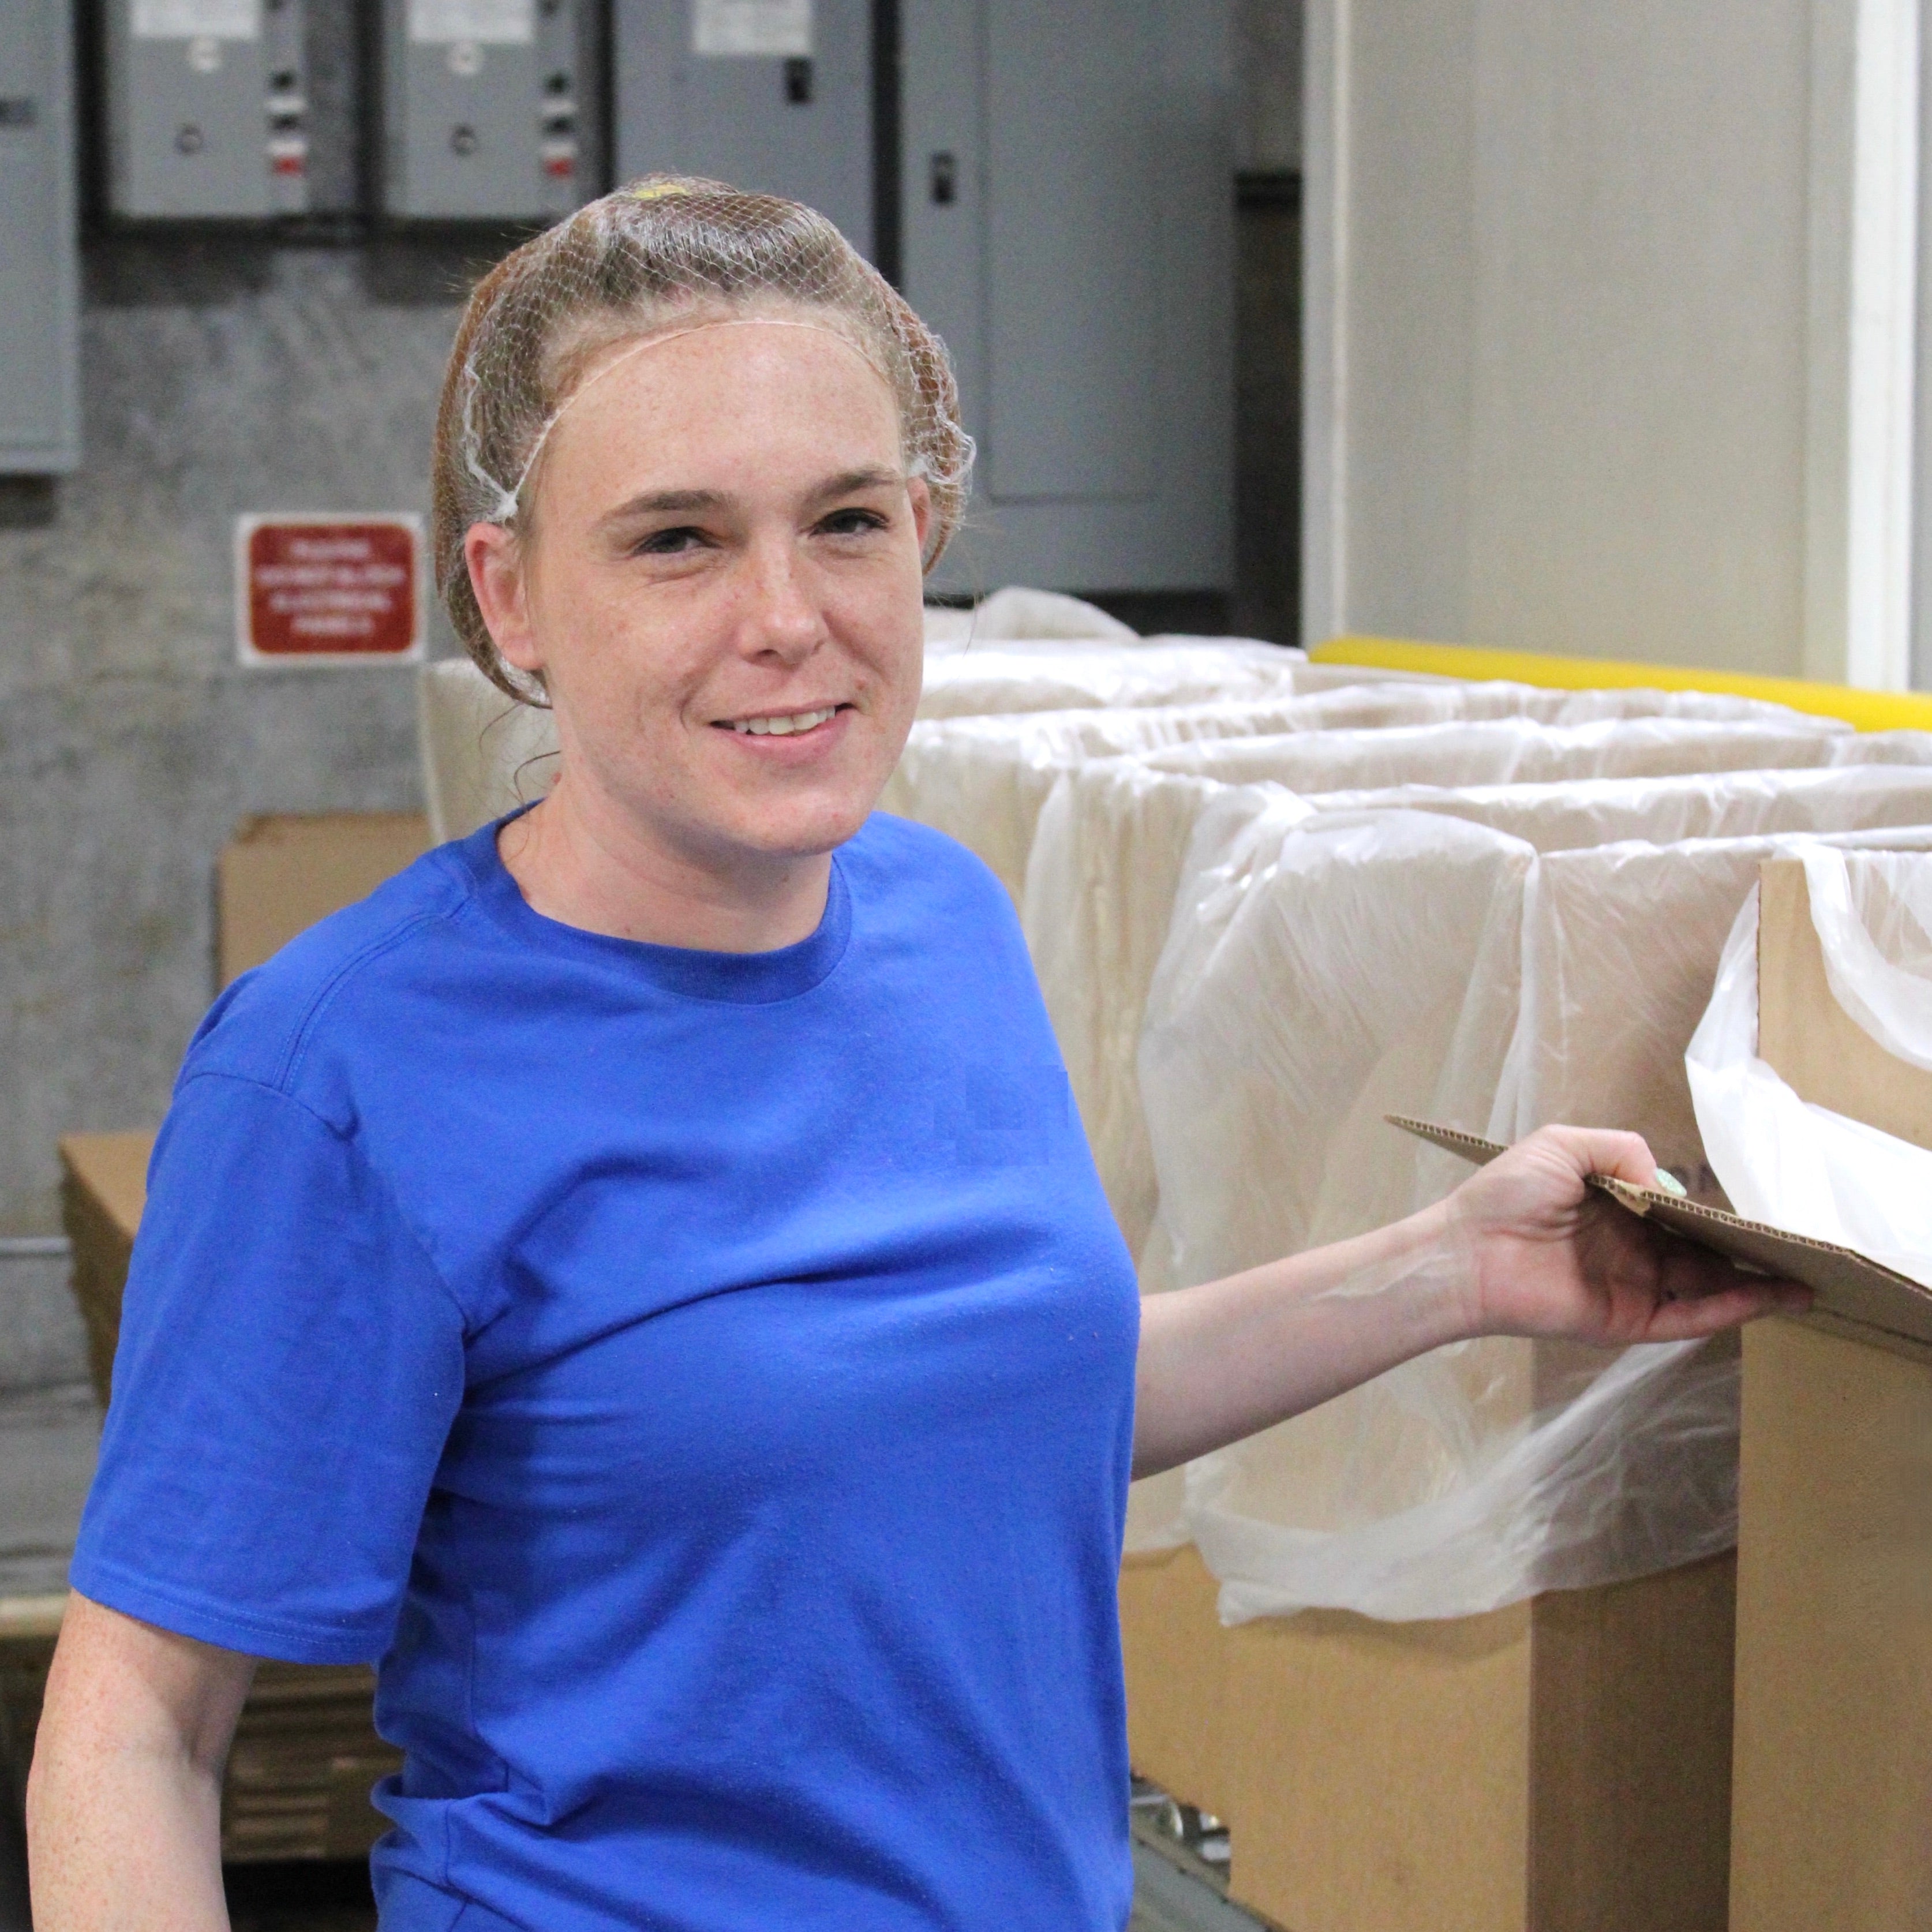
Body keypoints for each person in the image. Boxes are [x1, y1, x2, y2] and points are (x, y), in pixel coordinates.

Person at [25, 178, 1804, 1932]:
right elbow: (130, 1743)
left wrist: (1453, 1269)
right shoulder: (349, 1072)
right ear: (513, 598)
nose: (788, 615)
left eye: (849, 521)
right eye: (676, 538)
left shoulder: (939, 917)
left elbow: (980, 1405)